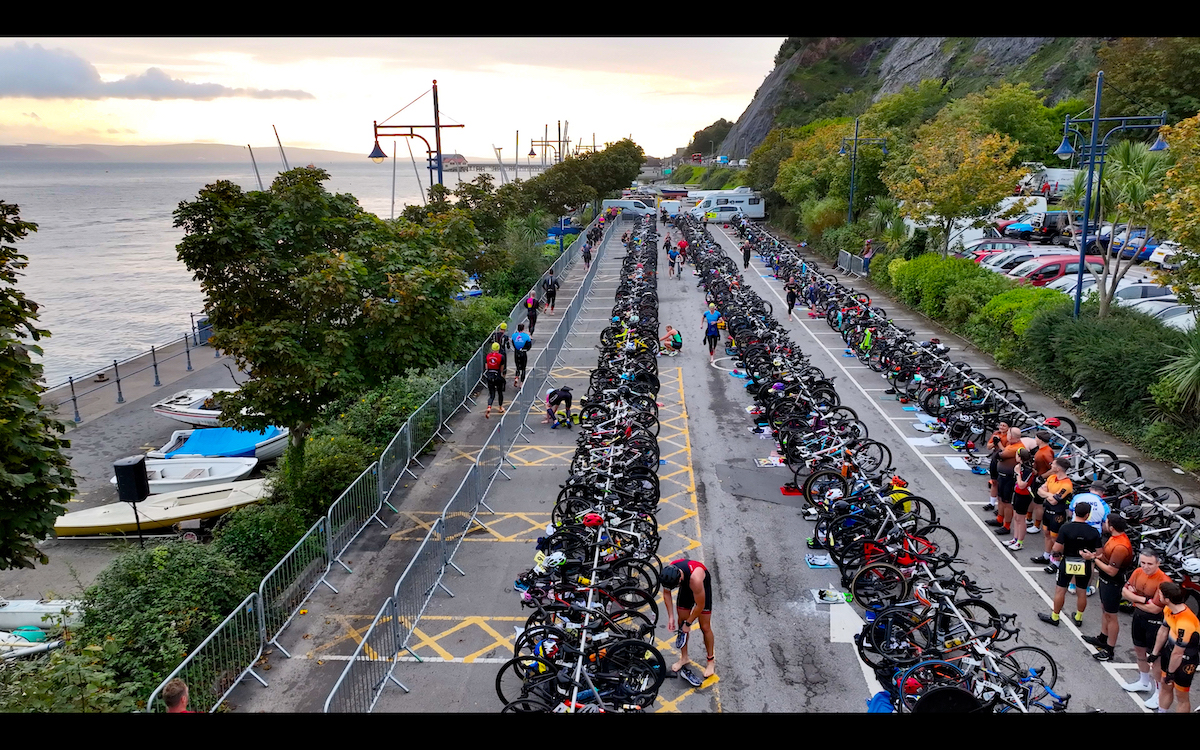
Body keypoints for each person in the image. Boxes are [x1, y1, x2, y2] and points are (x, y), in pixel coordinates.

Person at [1120, 551, 1172, 706]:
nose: (1145, 566)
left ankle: (1158, 693)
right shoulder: (1137, 572)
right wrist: (1143, 600)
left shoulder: (1164, 581)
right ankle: (1143, 682)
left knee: (1155, 659)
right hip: (1139, 617)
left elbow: (1155, 609)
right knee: (1139, 650)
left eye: (1150, 564)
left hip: (1156, 623)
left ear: (1158, 564)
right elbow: (1124, 592)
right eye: (1143, 563)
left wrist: (1133, 599)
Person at [1038, 502, 1101, 628]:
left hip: (1068, 561)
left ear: (1074, 512)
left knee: (1060, 590)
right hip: (1085, 563)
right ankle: (1079, 617)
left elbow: (1056, 548)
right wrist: (1090, 556)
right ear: (1088, 515)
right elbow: (1099, 553)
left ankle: (1055, 616)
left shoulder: (1066, 528)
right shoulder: (1093, 532)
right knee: (1082, 591)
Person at [1083, 514, 1134, 661]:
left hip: (1113, 583)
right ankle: (1102, 638)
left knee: (1111, 615)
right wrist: (1095, 556)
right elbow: (1105, 556)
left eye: (1106, 522)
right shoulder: (1114, 538)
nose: (1104, 524)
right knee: (1105, 610)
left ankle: (1110, 649)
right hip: (1106, 581)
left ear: (1111, 527)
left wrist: (1093, 559)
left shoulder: (1120, 546)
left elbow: (1112, 570)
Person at [660, 558, 716, 684]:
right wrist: (671, 617)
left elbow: (699, 606)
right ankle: (684, 657)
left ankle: (710, 661)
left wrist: (689, 623)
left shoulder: (695, 579)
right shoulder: (669, 572)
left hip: (701, 588)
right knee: (681, 623)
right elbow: (666, 594)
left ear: (680, 579)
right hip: (686, 587)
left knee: (705, 627)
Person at [1150, 581, 1200, 713]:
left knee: (1181, 696)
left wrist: (1171, 673)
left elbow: (1178, 653)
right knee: (1165, 686)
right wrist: (1154, 653)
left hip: (1185, 659)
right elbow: (1163, 631)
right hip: (1170, 652)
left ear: (1167, 599)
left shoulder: (1186, 622)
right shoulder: (1169, 609)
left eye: (1159, 594)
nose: (1157, 595)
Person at [1032, 456, 1074, 568]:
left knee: (1055, 537)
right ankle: (1046, 556)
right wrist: (1049, 495)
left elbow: (1055, 501)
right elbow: (1039, 491)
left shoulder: (1067, 485)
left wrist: (1047, 494)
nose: (1051, 466)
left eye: (1054, 465)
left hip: (1058, 513)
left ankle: (1056, 561)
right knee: (1046, 533)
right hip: (1048, 510)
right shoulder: (1052, 477)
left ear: (1059, 468)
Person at [1003, 447, 1036, 552]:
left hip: (1024, 495)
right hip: (1017, 493)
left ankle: (1020, 542)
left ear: (1020, 457)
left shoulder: (1027, 470)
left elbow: (1022, 485)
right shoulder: (1020, 466)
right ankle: (1015, 539)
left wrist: (1017, 473)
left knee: (1021, 520)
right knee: (1016, 517)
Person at [1027, 431, 1055, 535]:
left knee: (1038, 504)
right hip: (1036, 477)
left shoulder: (1046, 453)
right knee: (1032, 498)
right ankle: (1029, 518)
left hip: (1040, 480)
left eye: (1036, 438)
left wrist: (1041, 477)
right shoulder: (1042, 450)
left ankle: (1037, 525)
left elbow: (1053, 469)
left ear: (1041, 440)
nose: (1035, 439)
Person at [982, 422, 1010, 513]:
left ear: (1008, 427)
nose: (1001, 427)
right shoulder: (996, 434)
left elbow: (1006, 451)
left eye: (1004, 425)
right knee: (994, 481)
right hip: (995, 457)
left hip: (1003, 461)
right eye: (1000, 425)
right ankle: (992, 503)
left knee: (1001, 484)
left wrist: (999, 443)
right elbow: (989, 447)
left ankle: (1000, 507)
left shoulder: (1009, 436)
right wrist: (995, 442)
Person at [484, 342, 505, 418]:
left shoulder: (488, 356)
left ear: (492, 349)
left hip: (490, 376)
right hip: (497, 376)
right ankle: (500, 407)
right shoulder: (501, 357)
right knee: (500, 392)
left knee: (491, 394)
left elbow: (486, 367)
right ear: (498, 349)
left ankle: (489, 406)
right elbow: (502, 368)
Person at [511, 323, 531, 388]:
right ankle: (521, 383)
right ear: (523, 329)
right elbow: (529, 345)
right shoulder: (526, 336)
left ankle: (516, 378)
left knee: (517, 367)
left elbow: (513, 343)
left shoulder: (514, 335)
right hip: (523, 353)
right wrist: (525, 349)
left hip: (516, 353)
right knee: (523, 368)